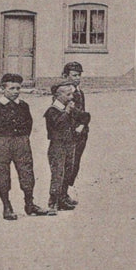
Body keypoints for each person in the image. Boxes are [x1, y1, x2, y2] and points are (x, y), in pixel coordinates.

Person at [0, 73, 52, 219]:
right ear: (3, 89)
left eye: (18, 88)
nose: (15, 91)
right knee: (3, 176)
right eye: (12, 88)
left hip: (21, 143)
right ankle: (7, 207)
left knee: (27, 173)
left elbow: (29, 124)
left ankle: (29, 204)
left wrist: (23, 139)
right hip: (1, 144)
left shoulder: (23, 106)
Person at [43, 81, 90, 213]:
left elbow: (85, 117)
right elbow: (57, 126)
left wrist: (79, 128)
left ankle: (63, 198)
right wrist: (67, 112)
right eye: (68, 94)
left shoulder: (69, 108)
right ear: (59, 95)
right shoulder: (52, 111)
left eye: (72, 94)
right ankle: (53, 202)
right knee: (58, 173)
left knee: (68, 171)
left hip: (70, 144)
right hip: (57, 146)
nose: (71, 97)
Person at [61, 62, 90, 205]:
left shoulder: (80, 91)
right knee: (68, 164)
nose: (77, 78)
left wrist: (83, 125)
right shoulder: (64, 93)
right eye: (74, 75)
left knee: (75, 164)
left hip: (82, 132)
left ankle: (65, 193)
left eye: (79, 75)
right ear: (65, 76)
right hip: (71, 133)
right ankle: (61, 195)